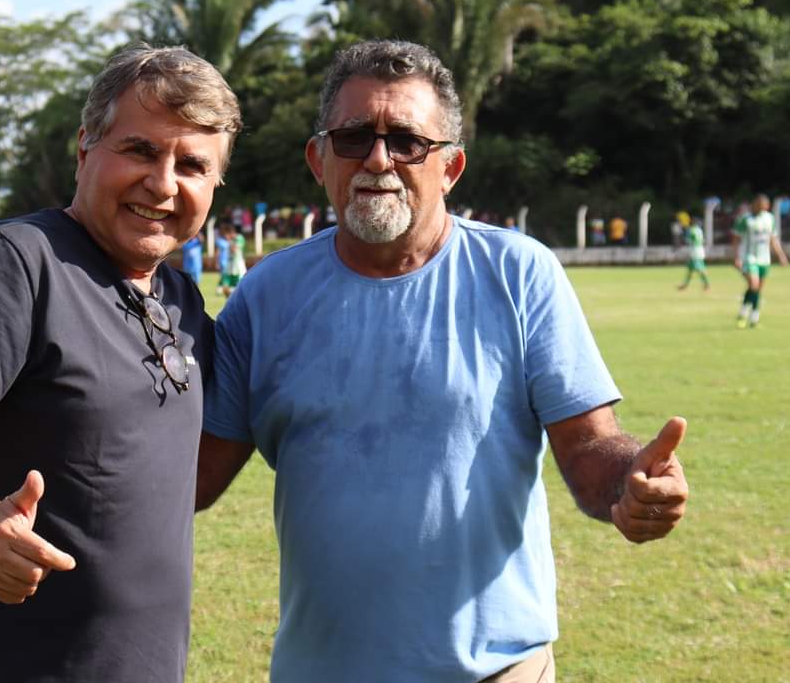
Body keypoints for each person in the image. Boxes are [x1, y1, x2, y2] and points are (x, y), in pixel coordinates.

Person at [196, 40, 689, 683]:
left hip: (494, 670)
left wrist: (632, 485)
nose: (378, 159)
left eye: (406, 141)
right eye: (353, 139)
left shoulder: (518, 273)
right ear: (319, 159)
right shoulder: (265, 297)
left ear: (451, 167)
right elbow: (194, 476)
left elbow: (589, 449)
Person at [0, 43, 241, 682]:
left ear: (214, 185)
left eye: (193, 165)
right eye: (140, 150)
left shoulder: (180, 299)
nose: (163, 183)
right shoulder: (21, 262)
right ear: (84, 149)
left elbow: (169, 483)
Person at [732, 193, 789, 328]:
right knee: (754, 284)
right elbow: (735, 239)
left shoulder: (770, 219)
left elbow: (773, 239)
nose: (760, 207)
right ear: (754, 205)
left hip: (764, 259)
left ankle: (753, 318)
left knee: (757, 289)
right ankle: (744, 314)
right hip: (749, 257)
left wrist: (781, 255)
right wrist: (737, 257)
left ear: (767, 206)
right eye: (758, 204)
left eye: (763, 205)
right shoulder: (745, 220)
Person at [676, 215, 710, 291]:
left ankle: (707, 284)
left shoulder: (691, 230)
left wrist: (682, 234)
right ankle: (685, 285)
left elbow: (687, 240)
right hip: (700, 250)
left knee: (700, 269)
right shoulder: (699, 230)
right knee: (690, 270)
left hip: (695, 251)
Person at [217, 221, 246, 297]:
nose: (225, 237)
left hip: (238, 265)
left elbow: (235, 249)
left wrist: (230, 242)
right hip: (230, 264)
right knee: (226, 286)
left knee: (240, 285)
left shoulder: (239, 238)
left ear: (230, 232)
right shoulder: (230, 240)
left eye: (225, 235)